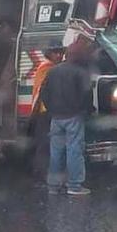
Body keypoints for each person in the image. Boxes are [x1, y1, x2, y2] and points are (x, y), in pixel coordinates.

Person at [40, 37, 95, 196]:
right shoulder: (81, 72)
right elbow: (87, 95)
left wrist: (51, 110)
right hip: (74, 117)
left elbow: (44, 93)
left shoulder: (53, 71)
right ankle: (74, 185)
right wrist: (87, 111)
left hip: (56, 118)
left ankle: (54, 186)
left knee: (56, 151)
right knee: (74, 150)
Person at [28, 46, 65, 179]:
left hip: (47, 111)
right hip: (44, 112)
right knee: (44, 145)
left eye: (61, 52)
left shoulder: (50, 67)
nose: (59, 55)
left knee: (46, 144)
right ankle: (41, 173)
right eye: (56, 53)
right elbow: (43, 91)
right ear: (49, 54)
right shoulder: (47, 68)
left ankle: (43, 172)